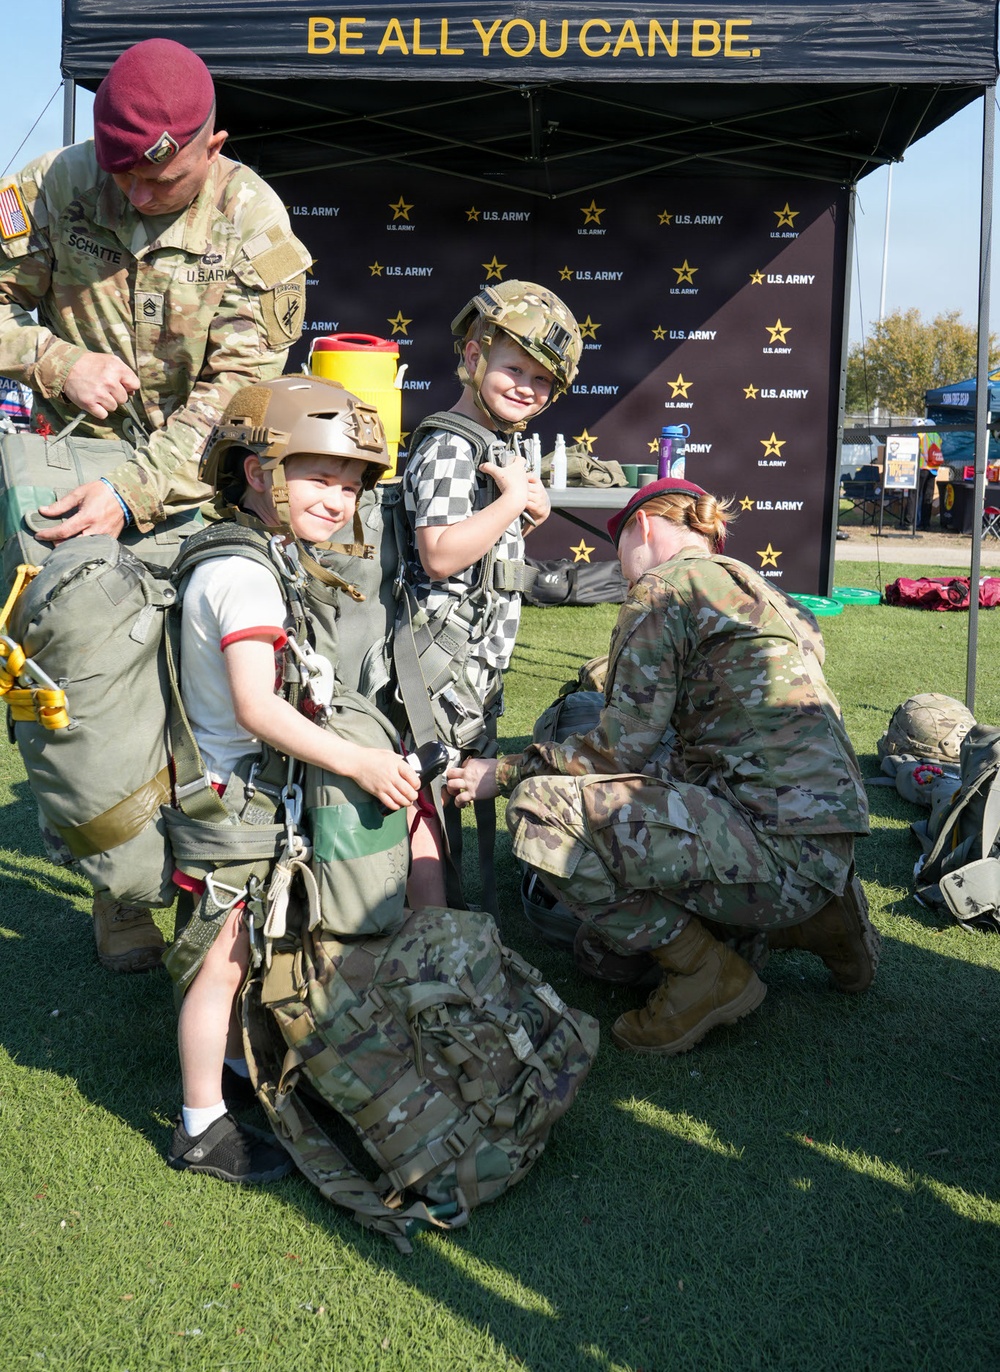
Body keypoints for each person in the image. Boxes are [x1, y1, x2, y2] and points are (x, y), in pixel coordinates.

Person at [0, 37, 312, 972]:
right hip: (69, 474)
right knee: (83, 692)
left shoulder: (256, 226)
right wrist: (55, 360)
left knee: (203, 695)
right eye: (121, 176)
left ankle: (205, 879)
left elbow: (237, 389)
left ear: (214, 144)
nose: (135, 197)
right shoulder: (56, 186)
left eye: (160, 180)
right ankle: (118, 888)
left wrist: (133, 491)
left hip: (200, 489)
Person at [447, 477, 878, 1058]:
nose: (619, 567)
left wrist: (501, 773)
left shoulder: (665, 588)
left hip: (773, 851)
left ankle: (707, 975)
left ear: (643, 527)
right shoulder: (765, 592)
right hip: (827, 849)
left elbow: (615, 749)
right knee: (603, 957)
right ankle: (825, 922)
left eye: (617, 547)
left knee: (540, 812)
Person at [168, 373, 428, 1183]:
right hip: (229, 798)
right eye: (320, 473)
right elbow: (254, 704)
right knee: (223, 961)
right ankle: (201, 1124)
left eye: (352, 482)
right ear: (258, 471)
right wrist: (358, 759)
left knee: (240, 953)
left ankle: (234, 1076)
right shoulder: (245, 574)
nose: (339, 496)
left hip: (232, 792)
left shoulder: (247, 555)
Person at [397, 281, 581, 906]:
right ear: (474, 358)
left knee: (446, 789)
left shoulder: (497, 442)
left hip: (473, 662)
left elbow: (488, 544)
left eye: (543, 380)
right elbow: (441, 552)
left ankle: (448, 917)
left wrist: (529, 507)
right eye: (513, 367)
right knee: (425, 796)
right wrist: (509, 501)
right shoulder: (451, 443)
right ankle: (433, 933)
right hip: (438, 660)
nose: (526, 386)